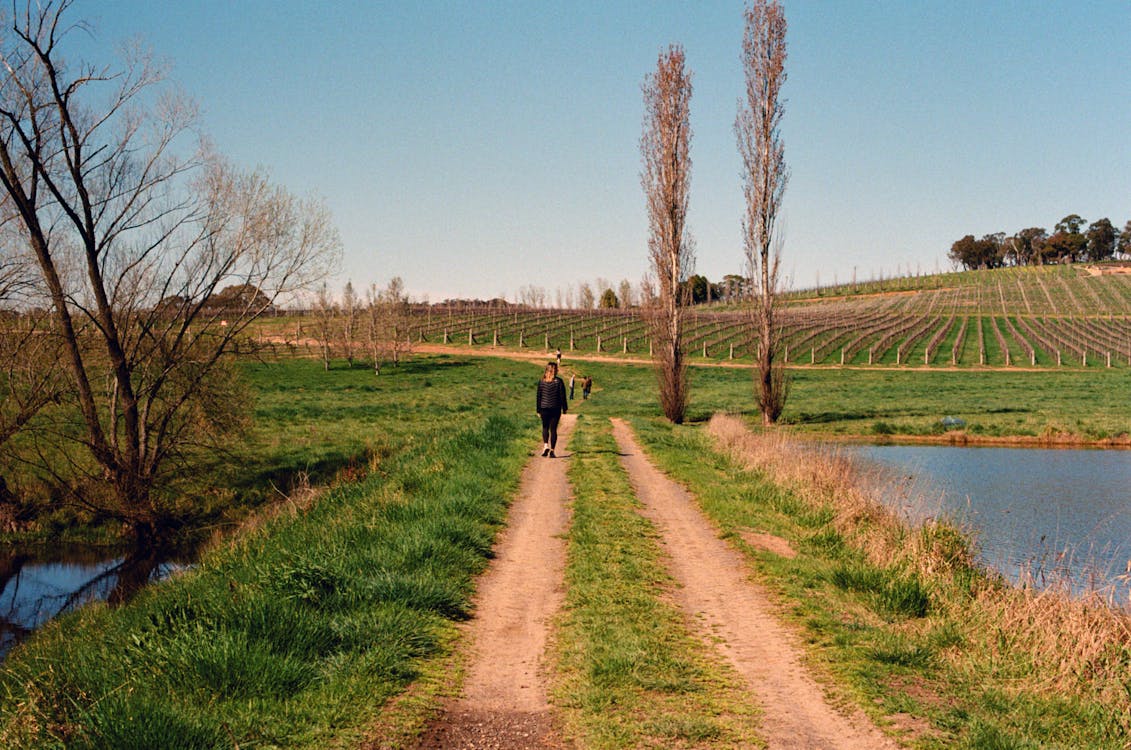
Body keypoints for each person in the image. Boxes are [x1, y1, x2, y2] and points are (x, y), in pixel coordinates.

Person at [536, 361, 568, 458]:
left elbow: (539, 396)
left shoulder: (541, 381)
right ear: (555, 370)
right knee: (553, 429)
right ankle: (552, 451)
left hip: (544, 408)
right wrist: (564, 408)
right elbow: (562, 396)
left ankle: (545, 445)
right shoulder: (559, 381)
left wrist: (538, 410)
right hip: (555, 408)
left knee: (545, 427)